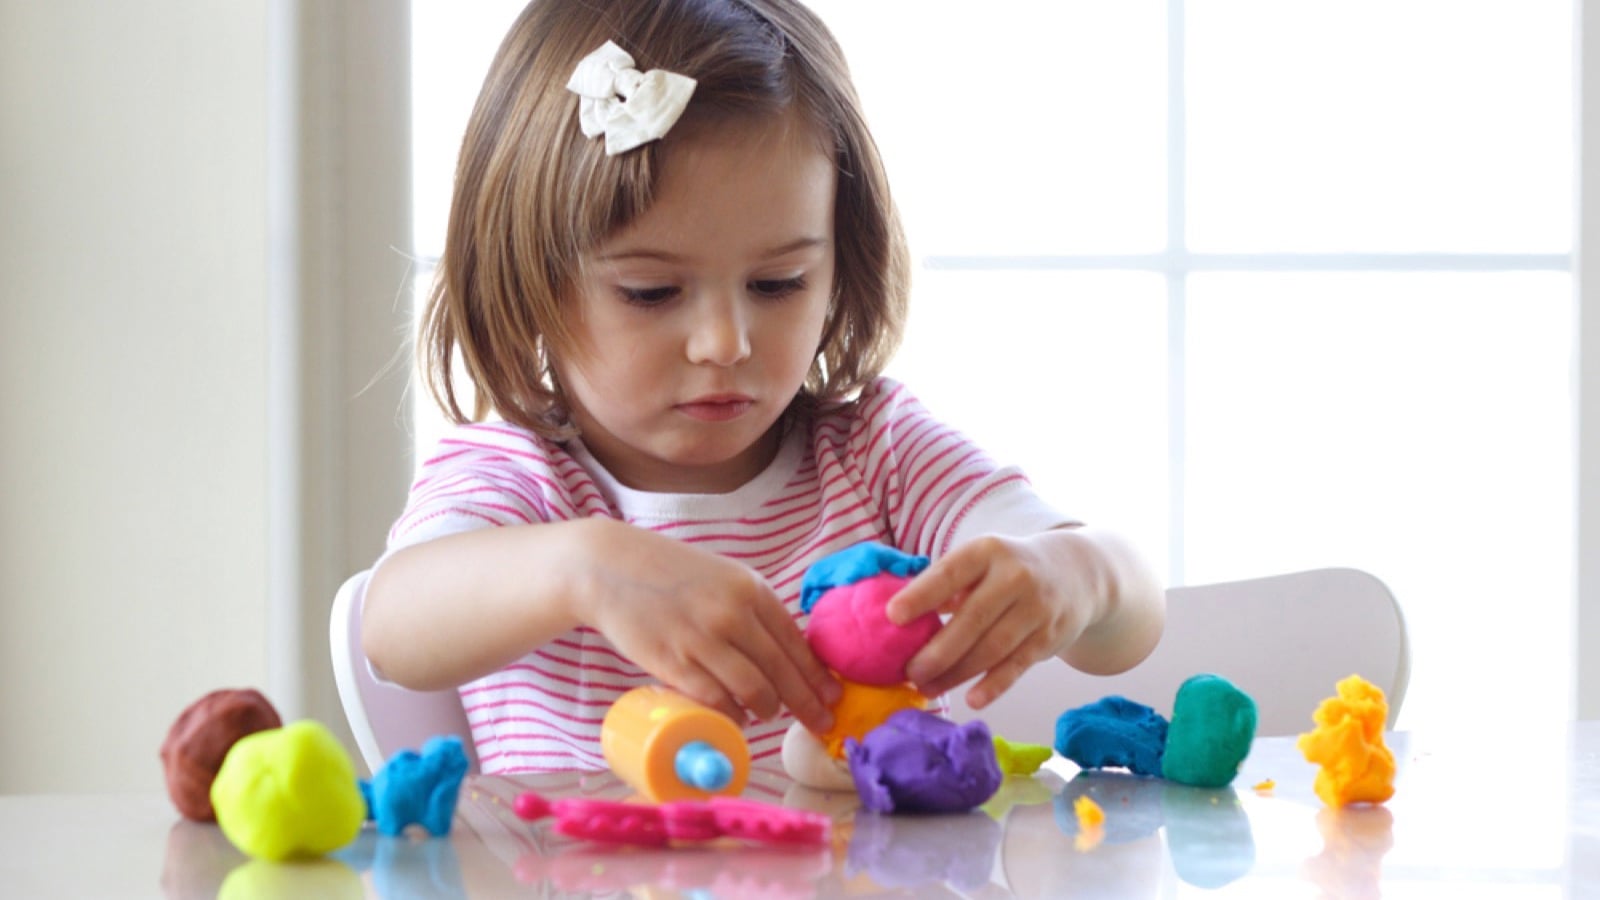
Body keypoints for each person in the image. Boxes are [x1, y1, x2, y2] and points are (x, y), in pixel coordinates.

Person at [363, 0, 1165, 774]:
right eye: (651, 292)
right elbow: (391, 628)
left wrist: (1076, 574)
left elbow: (1128, 619)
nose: (725, 343)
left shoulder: (877, 456)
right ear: (525, 279)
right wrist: (585, 568)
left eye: (779, 283)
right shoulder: (519, 482)